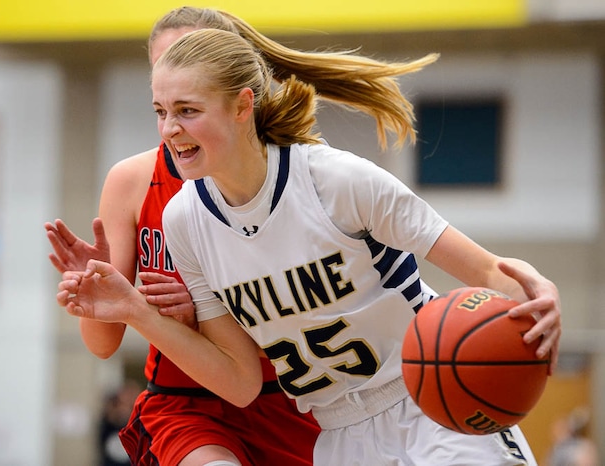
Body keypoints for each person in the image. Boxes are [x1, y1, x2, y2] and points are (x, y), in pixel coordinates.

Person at [57, 25, 562, 465]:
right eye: (161, 111)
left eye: (187, 111)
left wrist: (537, 291)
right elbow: (238, 382)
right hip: (338, 433)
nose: (170, 129)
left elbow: (489, 270)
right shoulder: (185, 220)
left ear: (241, 106)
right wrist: (135, 312)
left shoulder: (335, 180)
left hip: (427, 401)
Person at [46, 7, 320, 466]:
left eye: (196, 57)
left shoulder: (293, 170)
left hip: (287, 396)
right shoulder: (133, 180)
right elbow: (102, 344)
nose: (179, 75)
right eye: (165, 67)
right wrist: (95, 292)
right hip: (184, 404)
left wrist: (208, 310)